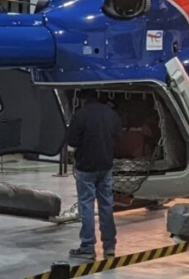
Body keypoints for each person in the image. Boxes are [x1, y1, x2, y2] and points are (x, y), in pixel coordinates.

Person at [65, 89, 122, 260]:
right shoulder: (111, 114)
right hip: (105, 165)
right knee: (106, 206)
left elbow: (71, 141)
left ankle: (88, 247)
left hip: (86, 167)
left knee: (87, 206)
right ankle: (110, 246)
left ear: (83, 100)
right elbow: (118, 136)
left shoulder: (80, 115)